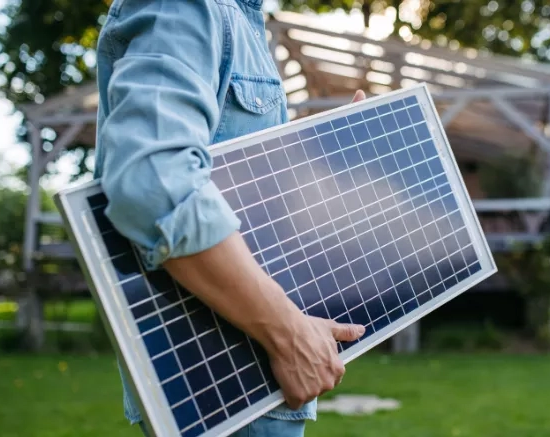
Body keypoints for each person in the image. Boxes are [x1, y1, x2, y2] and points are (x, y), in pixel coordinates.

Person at [93, 0, 367, 435]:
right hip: (217, 387)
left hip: (248, 381)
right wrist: (288, 332)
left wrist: (321, 154)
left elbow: (243, 197)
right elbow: (154, 182)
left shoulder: (244, 23)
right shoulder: (187, 6)